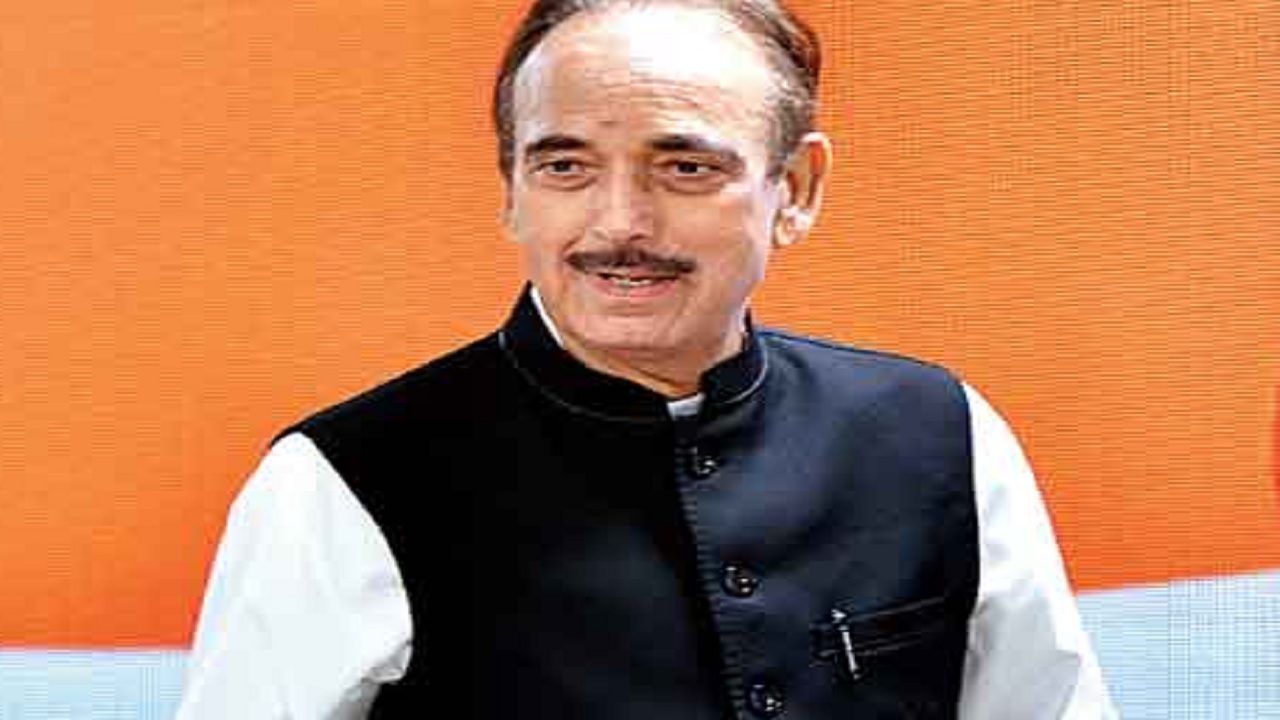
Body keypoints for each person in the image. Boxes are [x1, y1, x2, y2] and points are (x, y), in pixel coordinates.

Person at [177, 0, 1116, 717]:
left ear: (795, 189)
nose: (619, 224)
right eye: (565, 167)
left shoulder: (940, 434)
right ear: (512, 190)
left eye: (686, 168)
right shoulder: (339, 482)